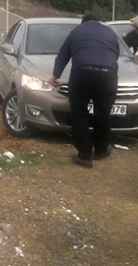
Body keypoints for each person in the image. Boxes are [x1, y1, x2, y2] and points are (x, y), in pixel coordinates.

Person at [48, 15, 120, 169]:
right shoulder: (110, 33)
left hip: (82, 74)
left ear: (83, 23)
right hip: (108, 76)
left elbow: (63, 56)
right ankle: (101, 149)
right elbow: (115, 55)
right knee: (103, 113)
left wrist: (55, 75)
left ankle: (85, 155)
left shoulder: (76, 31)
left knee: (79, 114)